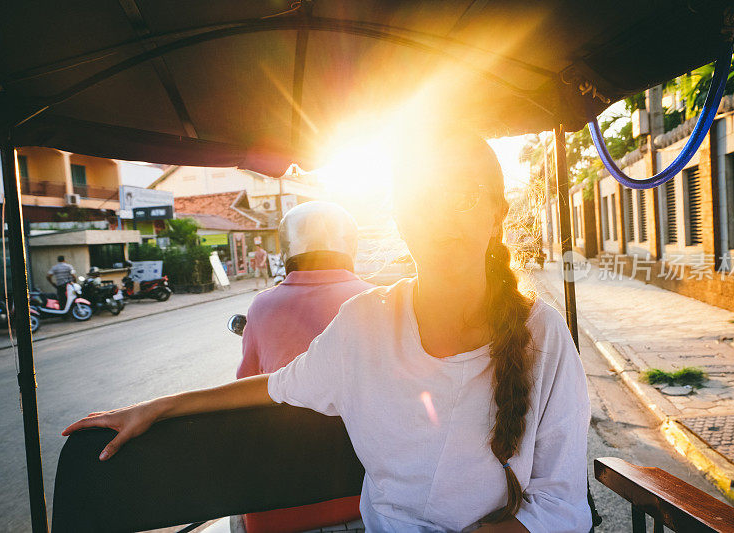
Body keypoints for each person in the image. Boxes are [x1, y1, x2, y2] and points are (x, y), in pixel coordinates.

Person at [64, 126, 591, 532]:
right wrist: (159, 406)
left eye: (464, 197)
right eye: (421, 198)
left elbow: (561, 501)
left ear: (498, 212)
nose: (440, 217)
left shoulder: (542, 335)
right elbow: (278, 385)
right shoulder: (364, 323)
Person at [237, 201, 374, 532]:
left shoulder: (262, 306)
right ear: (350, 245)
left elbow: (245, 392)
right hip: (364, 499)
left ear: (286, 249)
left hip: (279, 509)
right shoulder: (376, 300)